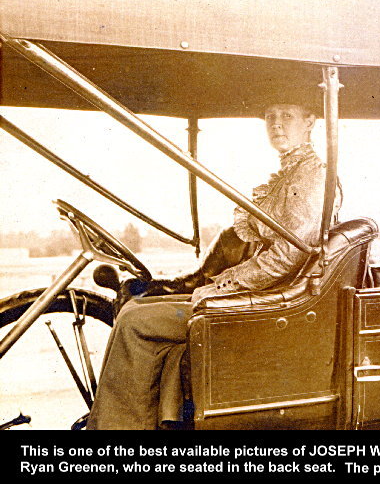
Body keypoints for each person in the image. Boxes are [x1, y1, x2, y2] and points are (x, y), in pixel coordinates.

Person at [87, 102, 339, 430]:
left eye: (287, 116)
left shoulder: (313, 176)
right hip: (262, 296)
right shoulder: (292, 173)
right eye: (270, 116)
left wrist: (223, 285)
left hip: (272, 307)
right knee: (133, 309)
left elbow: (288, 256)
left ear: (310, 121)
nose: (276, 124)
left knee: (134, 322)